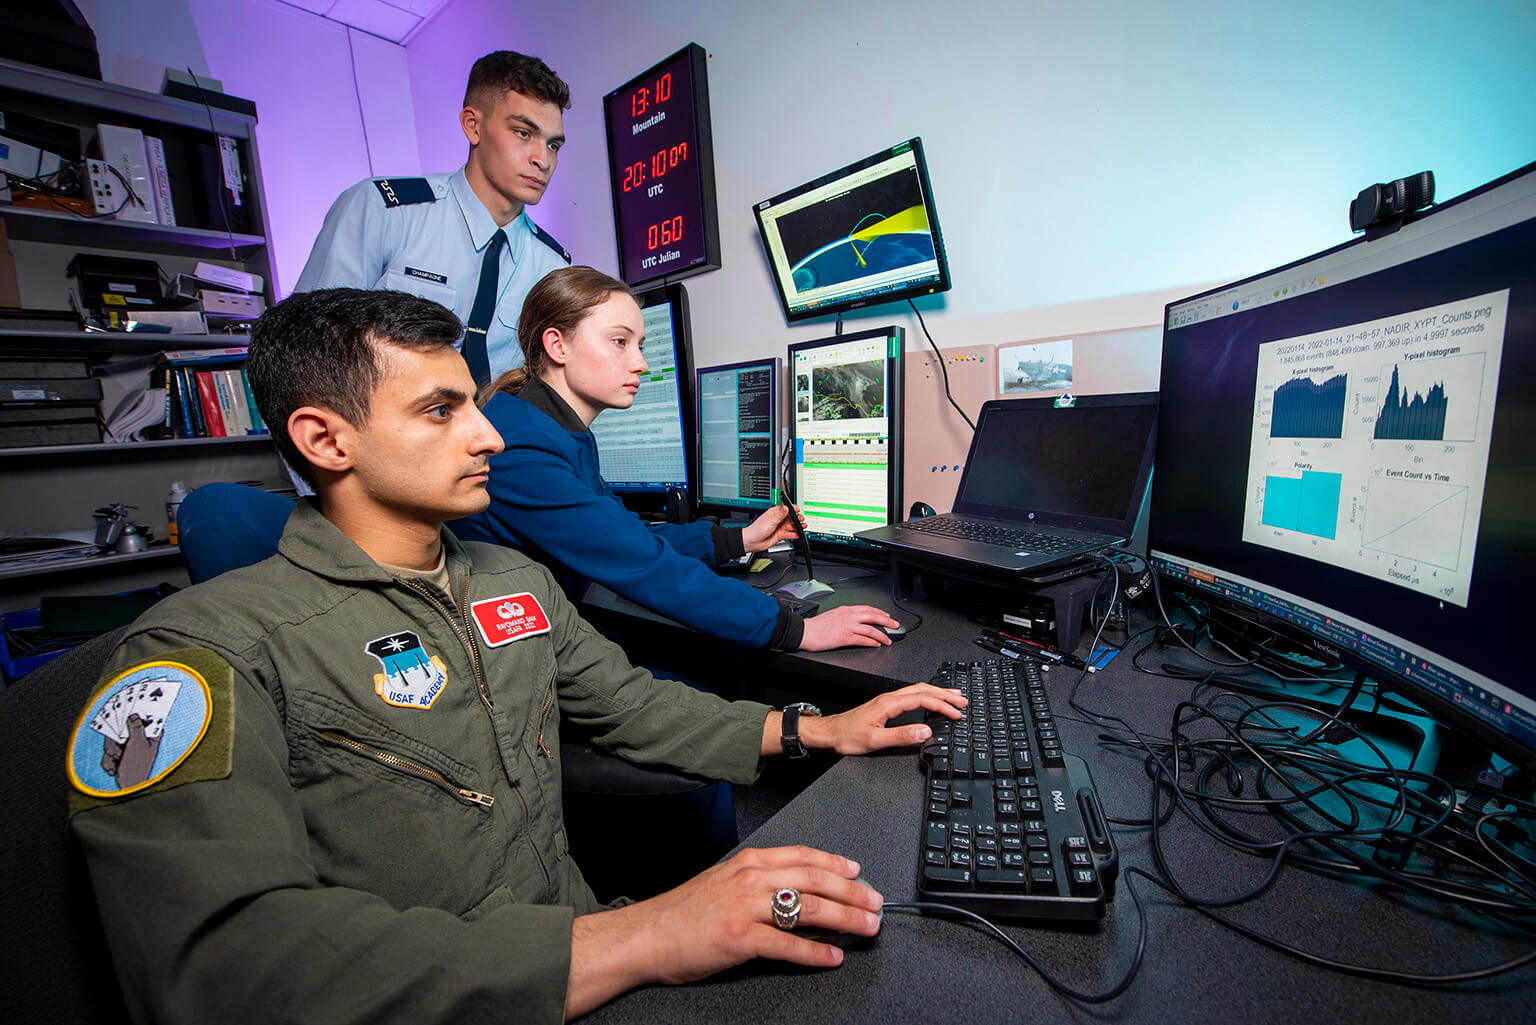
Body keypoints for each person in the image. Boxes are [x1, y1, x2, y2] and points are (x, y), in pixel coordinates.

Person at [66, 287, 966, 1023]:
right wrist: (649, 933)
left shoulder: (507, 579)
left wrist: (817, 727)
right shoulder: (201, 655)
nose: (490, 433)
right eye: (440, 410)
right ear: (324, 439)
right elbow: (223, 972)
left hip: (578, 961)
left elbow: (633, 704)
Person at [452, 266, 902, 652]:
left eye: (641, 345)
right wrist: (796, 629)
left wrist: (739, 539)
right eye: (620, 342)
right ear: (558, 345)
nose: (641, 363)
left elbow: (626, 536)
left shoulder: (549, 427)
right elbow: (642, 562)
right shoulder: (523, 446)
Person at [293, 50, 573, 388]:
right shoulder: (382, 212)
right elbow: (308, 350)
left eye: (553, 145)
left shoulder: (552, 266)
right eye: (523, 133)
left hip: (499, 439)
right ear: (473, 126)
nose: (542, 160)